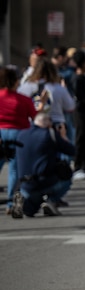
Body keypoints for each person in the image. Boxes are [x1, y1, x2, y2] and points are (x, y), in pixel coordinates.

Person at [10, 89, 75, 218]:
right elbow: (72, 151)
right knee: (67, 175)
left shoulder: (22, 134)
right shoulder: (49, 134)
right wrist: (63, 137)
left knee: (30, 211)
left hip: (24, 183)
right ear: (47, 122)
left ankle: (24, 200)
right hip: (44, 182)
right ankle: (50, 200)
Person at [1, 64, 36, 215]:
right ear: (15, 81)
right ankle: (10, 202)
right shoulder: (23, 99)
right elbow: (34, 116)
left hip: (1, 132)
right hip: (19, 134)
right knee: (14, 170)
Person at [69, 51, 85, 178]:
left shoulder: (84, 77)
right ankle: (78, 165)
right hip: (81, 112)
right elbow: (82, 97)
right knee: (81, 137)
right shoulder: (78, 78)